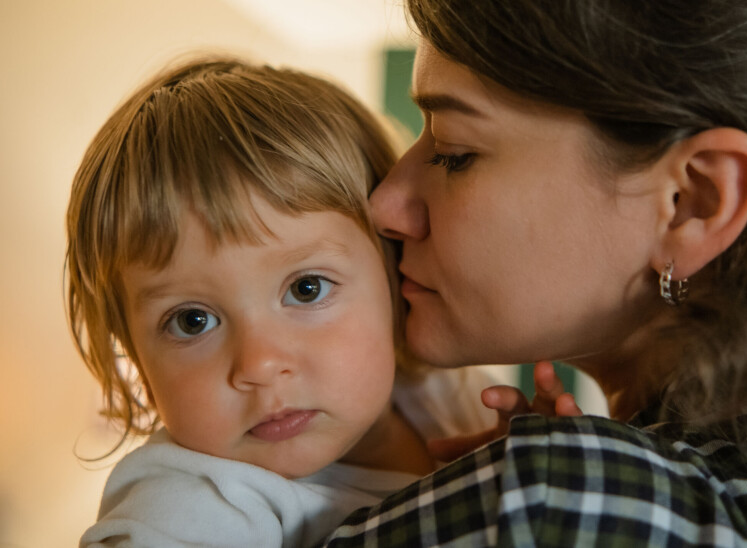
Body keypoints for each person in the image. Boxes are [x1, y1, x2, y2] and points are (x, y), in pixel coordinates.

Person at [317, 0, 747, 545]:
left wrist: (548, 486)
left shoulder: (552, 506)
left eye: (455, 153)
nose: (385, 205)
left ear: (694, 201)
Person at [66, 58, 500, 547]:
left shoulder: (446, 396)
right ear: (138, 360)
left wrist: (526, 446)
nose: (261, 363)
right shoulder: (203, 496)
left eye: (305, 288)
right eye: (193, 321)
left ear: (391, 269)